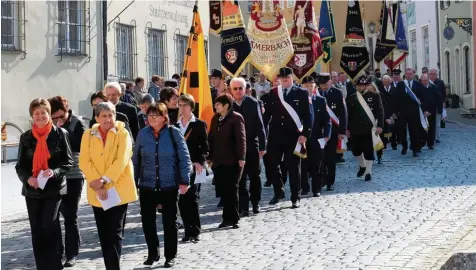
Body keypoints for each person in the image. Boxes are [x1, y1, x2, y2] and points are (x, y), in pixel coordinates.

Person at [79, 101, 138, 270]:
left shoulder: (123, 133)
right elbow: (84, 160)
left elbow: (122, 160)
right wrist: (96, 184)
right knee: (104, 234)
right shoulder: (88, 134)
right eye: (103, 115)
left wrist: (104, 181)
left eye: (110, 115)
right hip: (97, 191)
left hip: (118, 191)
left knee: (114, 233)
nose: (108, 119)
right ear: (97, 118)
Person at [16, 98, 73, 270]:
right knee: (37, 230)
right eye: (36, 113)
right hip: (32, 190)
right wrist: (28, 178)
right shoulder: (25, 137)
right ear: (32, 116)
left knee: (49, 225)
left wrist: (54, 172)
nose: (40, 116)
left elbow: (68, 163)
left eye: (43, 112)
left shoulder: (60, 134)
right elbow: (20, 166)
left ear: (49, 114)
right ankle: (42, 266)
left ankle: (55, 264)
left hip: (53, 188)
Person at [133, 102, 192, 267]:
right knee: (147, 221)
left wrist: (184, 180)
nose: (151, 118)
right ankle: (153, 253)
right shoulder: (142, 134)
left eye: (155, 115)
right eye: (149, 115)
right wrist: (133, 181)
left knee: (169, 222)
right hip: (147, 184)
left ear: (164, 118)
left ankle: (170, 256)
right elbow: (136, 159)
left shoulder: (174, 133)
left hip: (169, 185)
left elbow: (184, 157)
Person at [263, 67, 311, 208]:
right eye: (282, 77)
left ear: (292, 78)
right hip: (275, 135)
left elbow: (308, 115)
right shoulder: (273, 93)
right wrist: (263, 133)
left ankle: (295, 197)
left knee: (293, 167)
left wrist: (305, 134)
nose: (285, 79)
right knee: (272, 165)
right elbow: (267, 116)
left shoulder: (301, 93)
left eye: (287, 77)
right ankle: (279, 192)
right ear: (279, 78)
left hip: (293, 135)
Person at [48, 96, 86, 267]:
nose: (57, 121)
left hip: (73, 175)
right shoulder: (48, 124)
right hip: (54, 175)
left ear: (66, 111)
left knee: (70, 215)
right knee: (54, 216)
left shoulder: (77, 122)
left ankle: (72, 254)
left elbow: (80, 145)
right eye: (54, 118)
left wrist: (63, 132)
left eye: (60, 117)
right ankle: (57, 251)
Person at [208, 93, 246, 228]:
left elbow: (241, 139)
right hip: (219, 160)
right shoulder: (215, 118)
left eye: (218, 104)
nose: (215, 106)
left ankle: (234, 218)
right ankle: (226, 218)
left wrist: (241, 157)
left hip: (233, 160)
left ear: (226, 105)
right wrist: (209, 157)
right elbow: (211, 138)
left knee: (232, 189)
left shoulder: (236, 118)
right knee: (223, 190)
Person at [175, 94, 209, 242]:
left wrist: (198, 161)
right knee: (182, 198)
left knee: (192, 197)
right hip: (179, 168)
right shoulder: (174, 126)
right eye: (180, 105)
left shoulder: (199, 124)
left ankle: (195, 230)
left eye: (185, 105)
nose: (182, 108)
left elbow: (205, 147)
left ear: (191, 107)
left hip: (194, 167)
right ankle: (187, 230)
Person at [230, 77, 266, 216]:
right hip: (235, 147)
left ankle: (255, 203)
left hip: (252, 144)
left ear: (245, 89)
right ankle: (243, 206)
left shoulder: (253, 103)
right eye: (235, 88)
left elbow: (260, 125)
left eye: (241, 88)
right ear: (231, 90)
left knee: (255, 176)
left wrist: (263, 146)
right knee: (240, 178)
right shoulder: (229, 104)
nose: (238, 91)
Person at [346, 76, 384, 181]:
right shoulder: (351, 97)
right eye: (359, 85)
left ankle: (368, 172)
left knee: (368, 151)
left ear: (367, 86)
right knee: (355, 151)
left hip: (369, 128)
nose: (361, 87)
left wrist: (380, 125)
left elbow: (380, 111)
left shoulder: (375, 96)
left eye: (363, 85)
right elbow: (347, 114)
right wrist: (346, 128)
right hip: (355, 129)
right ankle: (362, 165)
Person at [301, 76, 331, 197]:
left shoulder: (321, 100)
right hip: (302, 138)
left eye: (311, 85)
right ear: (302, 86)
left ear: (315, 87)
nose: (308, 88)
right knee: (302, 165)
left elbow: (327, 120)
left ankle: (316, 188)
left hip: (316, 137)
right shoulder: (297, 100)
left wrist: (327, 134)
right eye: (306, 85)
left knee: (317, 165)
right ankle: (304, 187)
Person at [317, 73, 347, 191]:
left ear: (330, 82)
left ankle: (330, 181)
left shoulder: (337, 93)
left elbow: (343, 114)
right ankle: (322, 179)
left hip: (333, 131)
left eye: (325, 84)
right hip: (319, 131)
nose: (324, 87)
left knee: (330, 158)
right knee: (320, 157)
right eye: (321, 84)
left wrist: (342, 131)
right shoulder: (316, 93)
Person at [393, 68, 428, 157]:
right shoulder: (401, 85)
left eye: (410, 74)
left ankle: (414, 149)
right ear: (405, 75)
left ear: (413, 74)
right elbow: (396, 99)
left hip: (414, 112)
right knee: (402, 131)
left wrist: (424, 110)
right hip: (402, 112)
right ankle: (404, 146)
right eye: (407, 74)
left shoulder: (418, 85)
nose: (409, 75)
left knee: (414, 131)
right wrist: (395, 112)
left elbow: (423, 98)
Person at [376, 75, 395, 164]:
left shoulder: (381, 95)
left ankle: (379, 154)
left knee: (382, 136)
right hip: (373, 119)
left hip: (383, 117)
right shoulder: (378, 91)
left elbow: (384, 107)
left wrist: (388, 116)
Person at [420, 74, 441, 150]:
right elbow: (418, 100)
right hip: (422, 111)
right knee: (422, 127)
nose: (424, 82)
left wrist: (439, 109)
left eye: (425, 80)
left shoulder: (434, 88)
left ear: (428, 80)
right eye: (422, 81)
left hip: (432, 111)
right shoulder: (418, 88)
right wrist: (424, 110)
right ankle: (423, 141)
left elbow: (438, 99)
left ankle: (430, 143)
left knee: (432, 128)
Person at [428, 69, 446, 143]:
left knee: (437, 123)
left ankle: (437, 137)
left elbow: (443, 94)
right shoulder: (426, 82)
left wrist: (443, 102)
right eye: (431, 74)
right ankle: (429, 137)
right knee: (429, 123)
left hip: (438, 105)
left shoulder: (440, 82)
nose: (432, 75)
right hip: (428, 106)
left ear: (437, 75)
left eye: (434, 74)